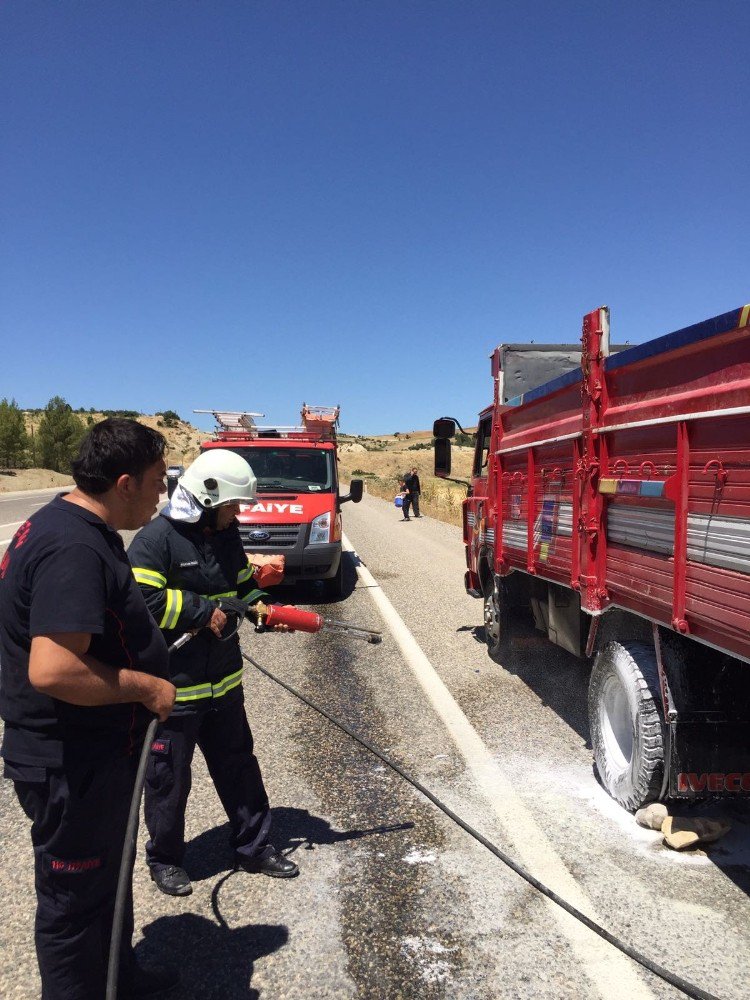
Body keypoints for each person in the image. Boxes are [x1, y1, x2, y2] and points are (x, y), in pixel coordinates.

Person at [0, 418, 178, 1000]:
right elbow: (51, 668)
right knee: (74, 906)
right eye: (157, 481)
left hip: (95, 756)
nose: (163, 493)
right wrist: (145, 689)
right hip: (69, 763)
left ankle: (119, 983)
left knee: (106, 882)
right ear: (124, 482)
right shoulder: (73, 545)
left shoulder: (68, 526)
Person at [127, 449, 299, 898]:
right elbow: (141, 603)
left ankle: (254, 847)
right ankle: (165, 859)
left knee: (239, 766)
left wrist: (260, 605)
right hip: (174, 690)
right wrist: (202, 612)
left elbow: (240, 584)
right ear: (207, 498)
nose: (238, 513)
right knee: (168, 779)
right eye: (233, 505)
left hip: (224, 682)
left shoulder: (226, 536)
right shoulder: (155, 541)